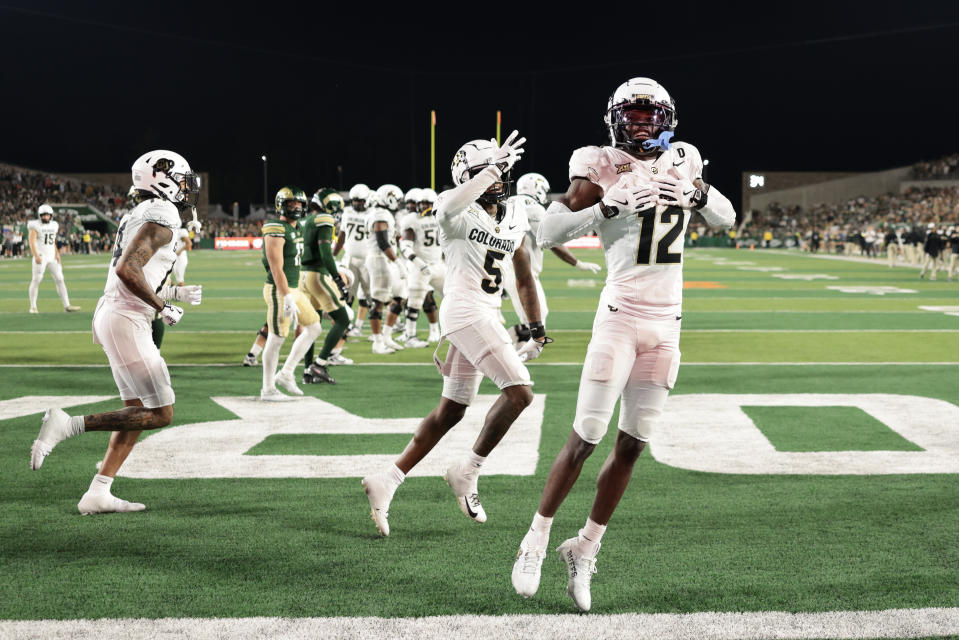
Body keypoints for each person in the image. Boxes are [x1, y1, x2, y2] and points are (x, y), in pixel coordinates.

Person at [509, 78, 735, 611]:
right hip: (619, 317)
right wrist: (606, 208)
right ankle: (535, 539)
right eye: (630, 114)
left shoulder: (685, 157)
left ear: (667, 117)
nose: (639, 122)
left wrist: (697, 193)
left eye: (647, 114)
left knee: (633, 443)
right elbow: (551, 230)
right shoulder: (597, 161)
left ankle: (585, 548)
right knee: (586, 437)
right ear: (614, 118)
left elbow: (725, 217)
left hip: (668, 322)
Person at [361, 131, 550, 536]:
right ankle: (468, 471)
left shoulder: (514, 213)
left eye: (501, 171)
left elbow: (524, 275)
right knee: (520, 393)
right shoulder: (455, 211)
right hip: (464, 312)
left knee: (452, 410)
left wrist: (536, 329)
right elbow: (449, 203)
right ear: (470, 177)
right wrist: (484, 174)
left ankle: (386, 480)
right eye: (489, 173)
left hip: (488, 312)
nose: (499, 179)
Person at [29, 149, 203, 514]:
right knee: (161, 413)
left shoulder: (138, 212)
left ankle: (98, 491)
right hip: (128, 318)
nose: (188, 190)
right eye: (184, 182)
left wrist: (171, 291)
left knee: (137, 410)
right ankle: (68, 424)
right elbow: (128, 270)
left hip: (115, 313)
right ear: (163, 180)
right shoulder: (163, 213)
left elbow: (136, 272)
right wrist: (162, 306)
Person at [502, 172, 602, 346]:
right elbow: (549, 240)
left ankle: (511, 356)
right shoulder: (533, 207)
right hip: (520, 273)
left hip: (504, 269)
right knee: (534, 324)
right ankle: (505, 357)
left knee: (539, 317)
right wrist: (577, 263)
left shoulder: (507, 202)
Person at [259, 187, 327, 400]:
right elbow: (275, 267)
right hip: (280, 290)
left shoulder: (296, 228)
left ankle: (286, 373)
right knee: (277, 337)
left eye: (299, 204)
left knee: (314, 327)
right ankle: (268, 388)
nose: (296, 207)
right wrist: (286, 295)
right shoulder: (275, 228)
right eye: (291, 204)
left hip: (294, 289)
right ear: (281, 205)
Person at [298, 188, 351, 385]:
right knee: (343, 319)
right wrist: (337, 279)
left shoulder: (305, 220)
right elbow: (326, 254)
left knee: (313, 325)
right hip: (316, 275)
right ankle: (319, 364)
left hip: (302, 275)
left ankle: (307, 370)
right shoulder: (323, 219)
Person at [333, 184, 373, 337]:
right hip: (349, 258)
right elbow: (342, 236)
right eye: (355, 200)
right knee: (347, 294)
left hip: (367, 259)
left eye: (360, 200)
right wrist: (334, 253)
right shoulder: (347, 212)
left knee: (371, 295)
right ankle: (346, 325)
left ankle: (374, 329)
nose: (357, 203)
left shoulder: (373, 213)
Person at [27, 204, 81, 313]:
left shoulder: (54, 225)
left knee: (60, 279)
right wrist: (36, 255)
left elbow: (52, 242)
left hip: (51, 256)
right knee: (36, 280)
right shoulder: (34, 225)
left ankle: (67, 305)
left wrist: (57, 254)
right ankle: (33, 307)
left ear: (51, 215)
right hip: (41, 256)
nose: (45, 217)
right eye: (43, 215)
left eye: (47, 215)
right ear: (39, 215)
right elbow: (31, 241)